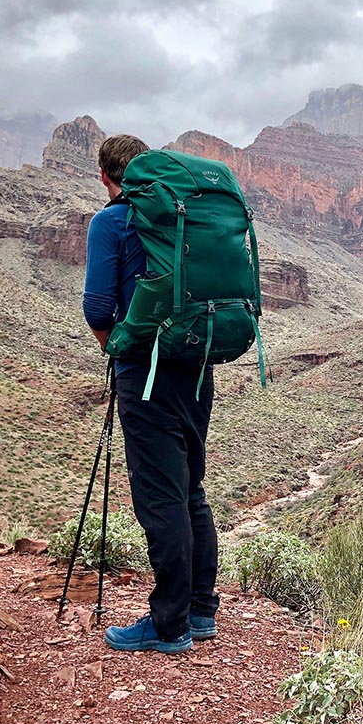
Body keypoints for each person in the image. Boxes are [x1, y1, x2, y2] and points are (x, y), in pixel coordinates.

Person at [82, 134, 220, 654]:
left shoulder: (111, 222)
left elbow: (98, 308)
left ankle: (169, 625)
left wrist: (117, 349)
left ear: (104, 175)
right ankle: (200, 611)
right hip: (197, 366)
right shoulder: (184, 216)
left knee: (161, 496)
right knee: (190, 489)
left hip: (147, 371)